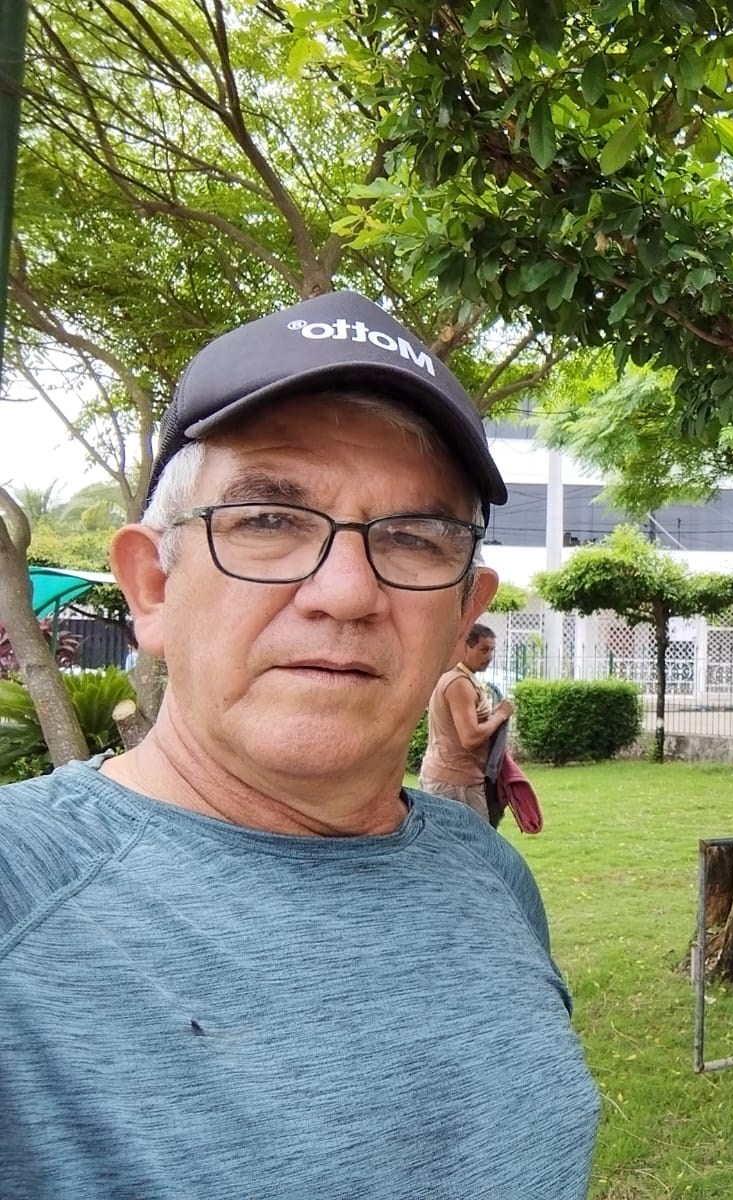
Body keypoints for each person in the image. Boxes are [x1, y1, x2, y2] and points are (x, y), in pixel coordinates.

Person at [0, 292, 599, 1198]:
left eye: (414, 536)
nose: (347, 592)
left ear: (461, 617)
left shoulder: (489, 873)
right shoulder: (21, 893)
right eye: (269, 521)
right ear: (152, 587)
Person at [420, 621, 513, 823]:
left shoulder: (461, 678)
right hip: (456, 784)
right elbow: (470, 737)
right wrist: (500, 715)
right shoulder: (459, 683)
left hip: (454, 779)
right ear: (465, 647)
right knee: (475, 841)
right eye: (483, 650)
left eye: (492, 650)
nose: (489, 656)